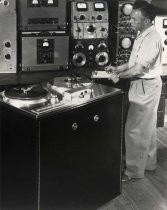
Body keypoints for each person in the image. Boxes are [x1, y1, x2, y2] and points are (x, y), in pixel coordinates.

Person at [105, 0, 163, 181]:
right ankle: (148, 164)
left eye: (134, 20)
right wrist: (118, 68)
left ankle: (133, 172)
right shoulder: (143, 33)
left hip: (144, 86)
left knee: (134, 130)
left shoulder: (151, 38)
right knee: (148, 128)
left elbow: (138, 70)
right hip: (146, 86)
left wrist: (118, 77)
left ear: (146, 21)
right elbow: (133, 63)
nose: (130, 22)